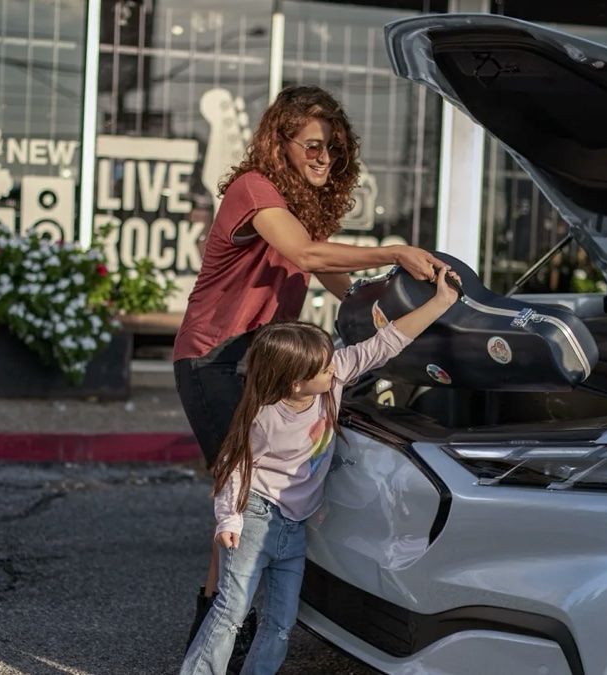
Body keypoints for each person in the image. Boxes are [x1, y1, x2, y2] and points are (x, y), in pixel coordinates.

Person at [173, 84, 445, 664]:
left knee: (249, 494)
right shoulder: (255, 189)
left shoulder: (293, 208)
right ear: (281, 142)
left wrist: (387, 327)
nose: (326, 159)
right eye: (315, 147)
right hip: (216, 359)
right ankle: (219, 637)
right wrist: (394, 252)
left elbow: (335, 282)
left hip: (266, 363)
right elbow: (308, 256)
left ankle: (222, 630)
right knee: (244, 493)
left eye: (336, 151)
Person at [181, 267, 461, 674]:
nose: (337, 369)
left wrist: (440, 302)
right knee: (231, 612)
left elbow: (385, 344)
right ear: (295, 383)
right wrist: (229, 519)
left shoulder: (330, 381)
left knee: (281, 623)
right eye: (326, 368)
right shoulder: (263, 416)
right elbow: (233, 466)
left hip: (294, 525)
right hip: (254, 518)